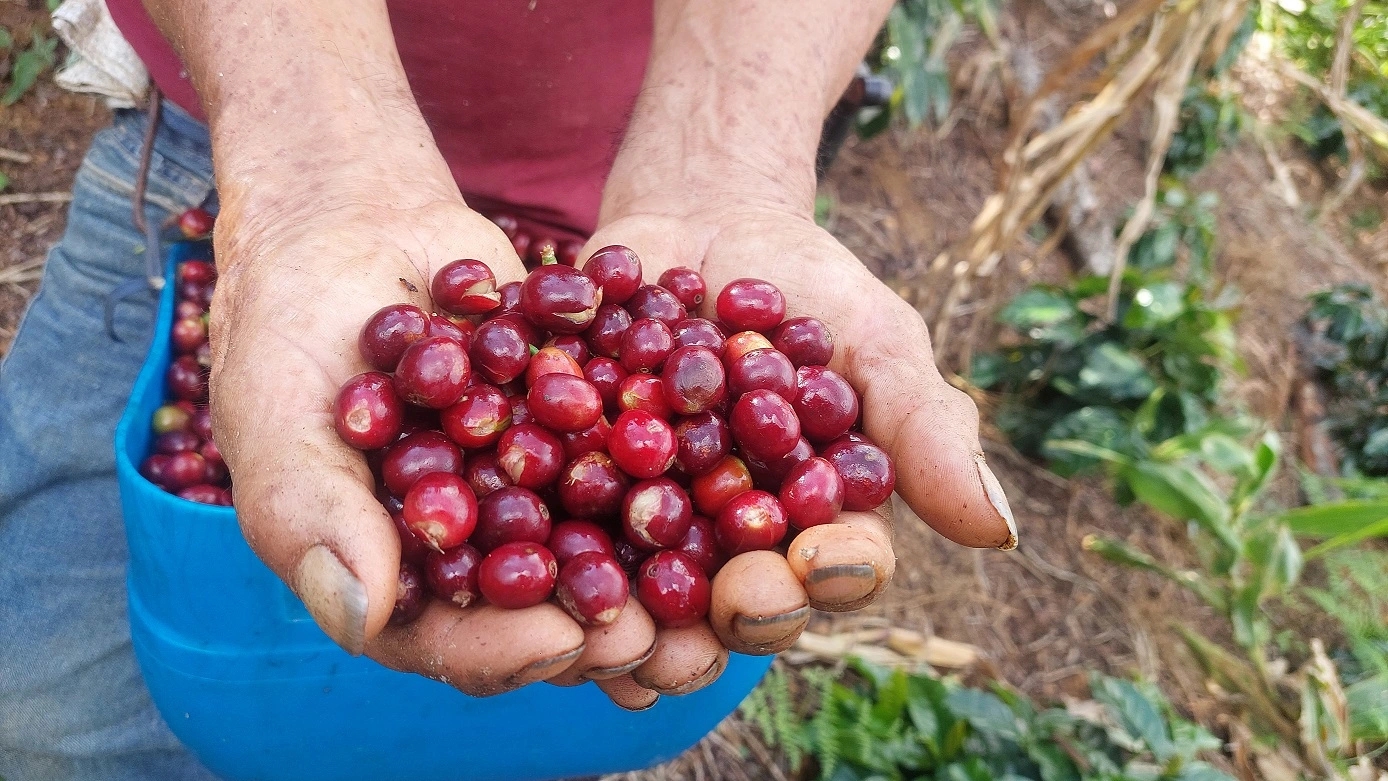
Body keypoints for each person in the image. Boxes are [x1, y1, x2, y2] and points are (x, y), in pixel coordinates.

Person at [0, 0, 1019, 778]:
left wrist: (728, 153)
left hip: (643, 152)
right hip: (235, 125)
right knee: (39, 702)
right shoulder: (550, 403)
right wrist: (311, 161)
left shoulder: (629, 385)